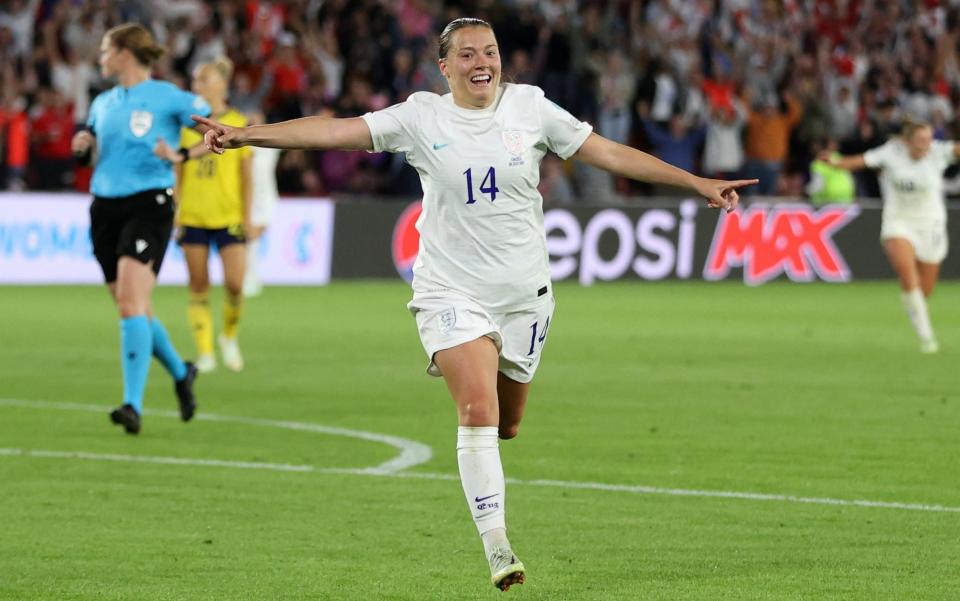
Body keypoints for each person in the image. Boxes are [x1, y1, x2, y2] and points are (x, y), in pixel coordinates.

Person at [192, 17, 756, 591]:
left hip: (524, 297)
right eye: (466, 55)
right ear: (445, 67)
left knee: (507, 423)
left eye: (489, 52)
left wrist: (695, 182)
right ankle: (498, 547)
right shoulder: (420, 116)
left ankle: (494, 475)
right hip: (450, 292)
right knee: (478, 410)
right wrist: (248, 134)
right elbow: (334, 131)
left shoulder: (531, 108)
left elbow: (606, 152)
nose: (481, 62)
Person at [70, 23, 208, 434]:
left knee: (131, 304)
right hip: (104, 208)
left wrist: (182, 153)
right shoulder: (103, 102)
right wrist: (82, 148)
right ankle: (182, 372)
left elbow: (217, 134)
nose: (101, 58)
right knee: (135, 307)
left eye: (106, 50)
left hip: (149, 204)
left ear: (125, 53)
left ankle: (132, 405)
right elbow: (92, 150)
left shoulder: (169, 97)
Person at [824, 121, 958, 353]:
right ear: (907, 141)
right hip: (899, 222)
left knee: (924, 290)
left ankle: (913, 305)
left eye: (928, 139)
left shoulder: (938, 152)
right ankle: (927, 338)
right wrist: (835, 163)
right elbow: (860, 162)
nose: (926, 145)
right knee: (907, 275)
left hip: (931, 224)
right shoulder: (891, 152)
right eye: (920, 141)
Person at [155, 58, 252, 373]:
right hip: (193, 215)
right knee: (198, 285)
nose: (197, 86)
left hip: (228, 215)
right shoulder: (186, 127)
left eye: (204, 78)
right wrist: (174, 213)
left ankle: (228, 337)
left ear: (222, 83)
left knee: (235, 285)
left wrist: (248, 217)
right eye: (195, 80)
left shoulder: (238, 122)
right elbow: (179, 174)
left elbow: (246, 176)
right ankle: (206, 351)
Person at [241, 110, 281, 298]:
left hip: (265, 198)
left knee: (254, 236)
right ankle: (249, 277)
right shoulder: (243, 147)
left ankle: (251, 276)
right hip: (246, 196)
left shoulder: (270, 146)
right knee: (249, 237)